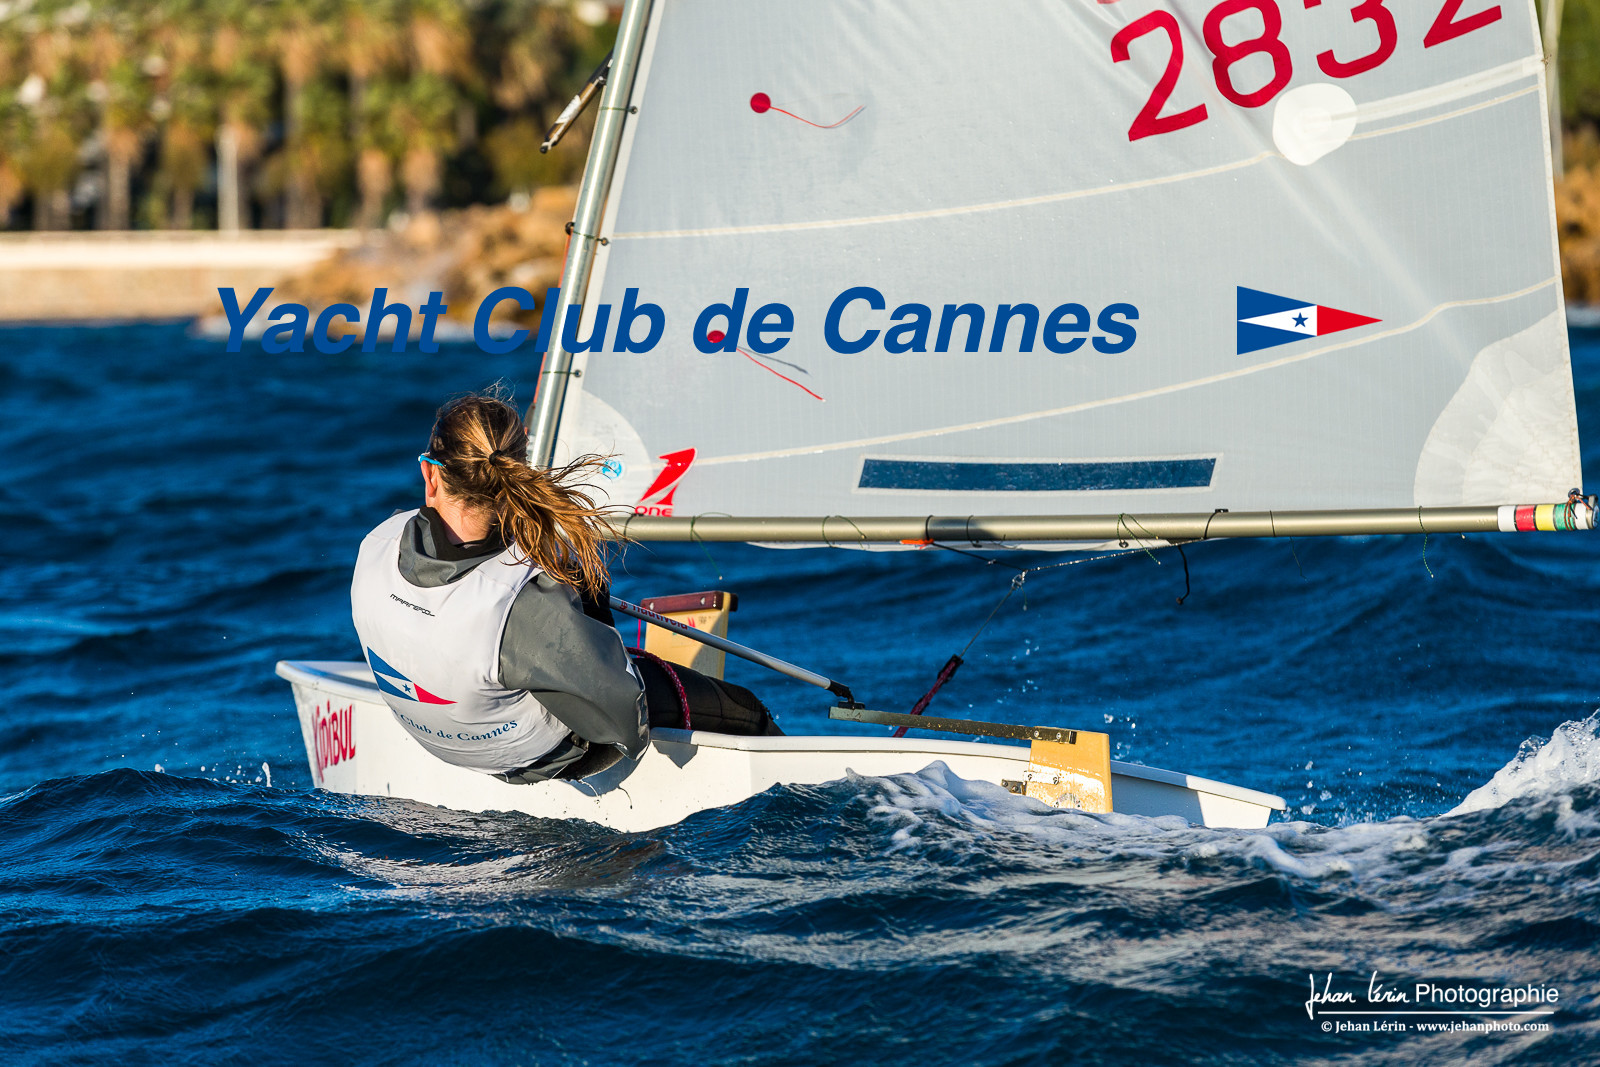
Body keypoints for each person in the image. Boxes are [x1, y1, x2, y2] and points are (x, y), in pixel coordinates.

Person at [350, 393, 780, 785]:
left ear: (430, 475)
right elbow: (623, 723)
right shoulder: (527, 600)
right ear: (518, 476)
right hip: (543, 755)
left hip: (446, 743)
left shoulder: (375, 544)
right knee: (746, 709)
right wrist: (581, 596)